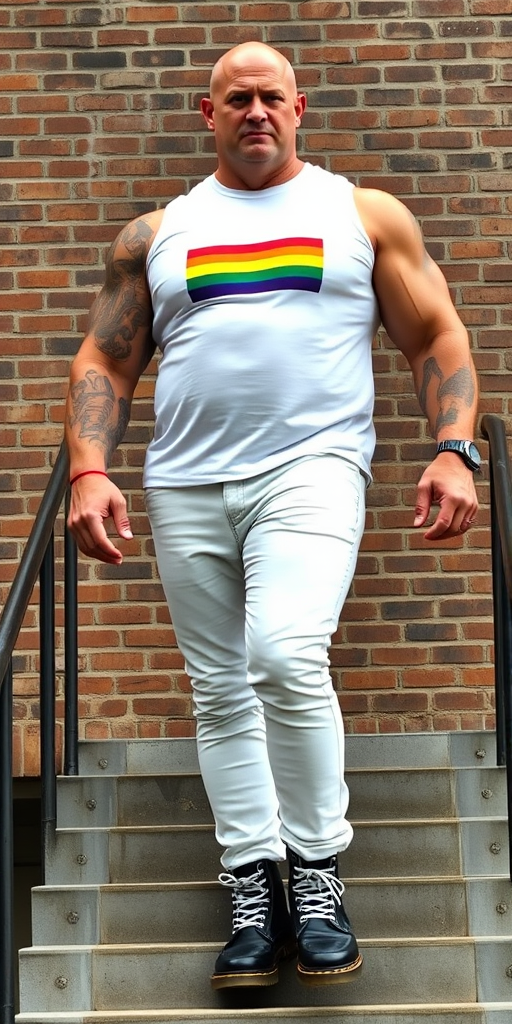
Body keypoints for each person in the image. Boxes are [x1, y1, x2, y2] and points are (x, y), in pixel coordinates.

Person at [65, 41, 479, 991]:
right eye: (235, 99)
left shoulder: (359, 214)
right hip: (185, 483)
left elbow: (435, 334)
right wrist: (91, 470)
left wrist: (455, 448)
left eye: (270, 98)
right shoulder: (157, 232)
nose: (255, 112)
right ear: (205, 114)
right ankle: (256, 887)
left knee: (285, 653)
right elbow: (104, 359)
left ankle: (319, 873)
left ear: (301, 108)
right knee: (219, 690)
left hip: (313, 469)